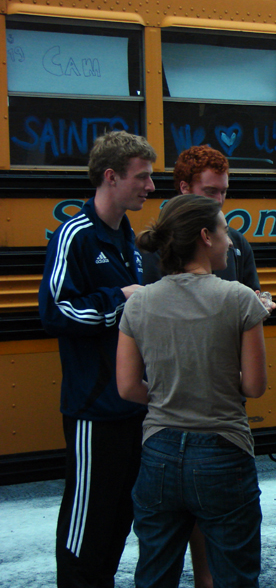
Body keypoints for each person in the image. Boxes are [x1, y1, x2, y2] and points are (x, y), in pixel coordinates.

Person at [116, 194, 272, 587]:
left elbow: (127, 386)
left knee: (154, 572)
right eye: (223, 231)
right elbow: (254, 386)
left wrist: (174, 390)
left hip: (158, 452)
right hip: (223, 449)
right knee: (235, 574)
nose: (231, 242)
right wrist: (211, 382)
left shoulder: (139, 303)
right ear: (205, 236)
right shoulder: (239, 298)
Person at [38, 130, 156, 587]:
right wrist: (119, 299)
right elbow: (54, 310)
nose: (150, 187)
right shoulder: (76, 235)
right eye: (141, 177)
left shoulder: (128, 239)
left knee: (117, 519)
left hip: (132, 403)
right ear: (111, 177)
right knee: (86, 523)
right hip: (94, 408)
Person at [142, 145, 259, 291]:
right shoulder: (159, 242)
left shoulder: (237, 242)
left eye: (223, 192)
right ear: (184, 188)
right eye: (211, 191)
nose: (218, 201)